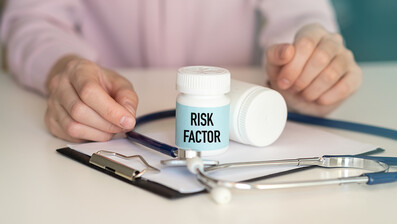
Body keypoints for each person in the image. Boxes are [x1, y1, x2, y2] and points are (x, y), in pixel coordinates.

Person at [1, 0, 362, 143]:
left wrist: (306, 63)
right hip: (106, 124)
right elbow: (31, 19)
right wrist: (64, 67)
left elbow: (301, 15)